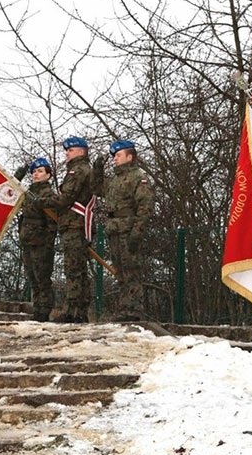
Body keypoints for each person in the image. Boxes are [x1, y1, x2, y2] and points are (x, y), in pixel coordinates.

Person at [36, 136, 96, 323]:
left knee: (73, 269)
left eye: (70, 151)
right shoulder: (81, 169)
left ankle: (74, 311)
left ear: (80, 151)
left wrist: (44, 201)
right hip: (74, 224)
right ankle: (79, 311)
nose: (66, 154)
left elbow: (66, 199)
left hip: (75, 225)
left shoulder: (77, 171)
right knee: (78, 268)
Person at [99, 140, 155, 322]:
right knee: (120, 272)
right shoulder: (115, 180)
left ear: (129, 157)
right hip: (115, 229)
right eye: (114, 156)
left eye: (118, 155)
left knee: (131, 270)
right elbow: (98, 189)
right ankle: (124, 308)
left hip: (128, 229)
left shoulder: (138, 178)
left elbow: (145, 207)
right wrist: (97, 171)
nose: (114, 158)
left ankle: (134, 310)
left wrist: (137, 233)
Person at [14, 158, 58, 322]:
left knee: (42, 278)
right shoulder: (27, 193)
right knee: (32, 277)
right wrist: (20, 172)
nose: (35, 174)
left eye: (40, 171)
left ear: (48, 175)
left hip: (41, 242)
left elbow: (52, 223)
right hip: (27, 240)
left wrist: (48, 243)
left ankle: (44, 311)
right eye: (33, 172)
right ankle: (37, 309)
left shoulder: (48, 195)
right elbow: (9, 190)